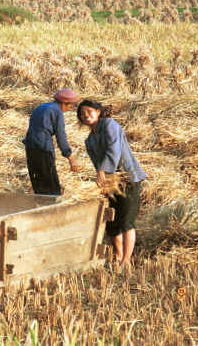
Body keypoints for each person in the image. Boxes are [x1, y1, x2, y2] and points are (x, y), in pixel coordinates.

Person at [77, 99, 147, 268]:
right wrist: (101, 178)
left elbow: (113, 150)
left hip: (127, 178)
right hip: (110, 183)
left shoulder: (109, 125)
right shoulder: (89, 140)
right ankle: (118, 257)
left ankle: (126, 261)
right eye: (82, 114)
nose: (86, 116)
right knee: (113, 222)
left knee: (126, 221)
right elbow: (97, 164)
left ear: (98, 111)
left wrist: (103, 171)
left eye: (89, 111)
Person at [23, 88, 80, 195]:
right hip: (43, 149)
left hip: (30, 147)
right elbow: (61, 136)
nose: (69, 108)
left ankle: (38, 205)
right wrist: (71, 158)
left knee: (38, 183)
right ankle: (52, 208)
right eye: (70, 105)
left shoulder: (40, 107)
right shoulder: (57, 111)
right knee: (51, 186)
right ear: (64, 103)